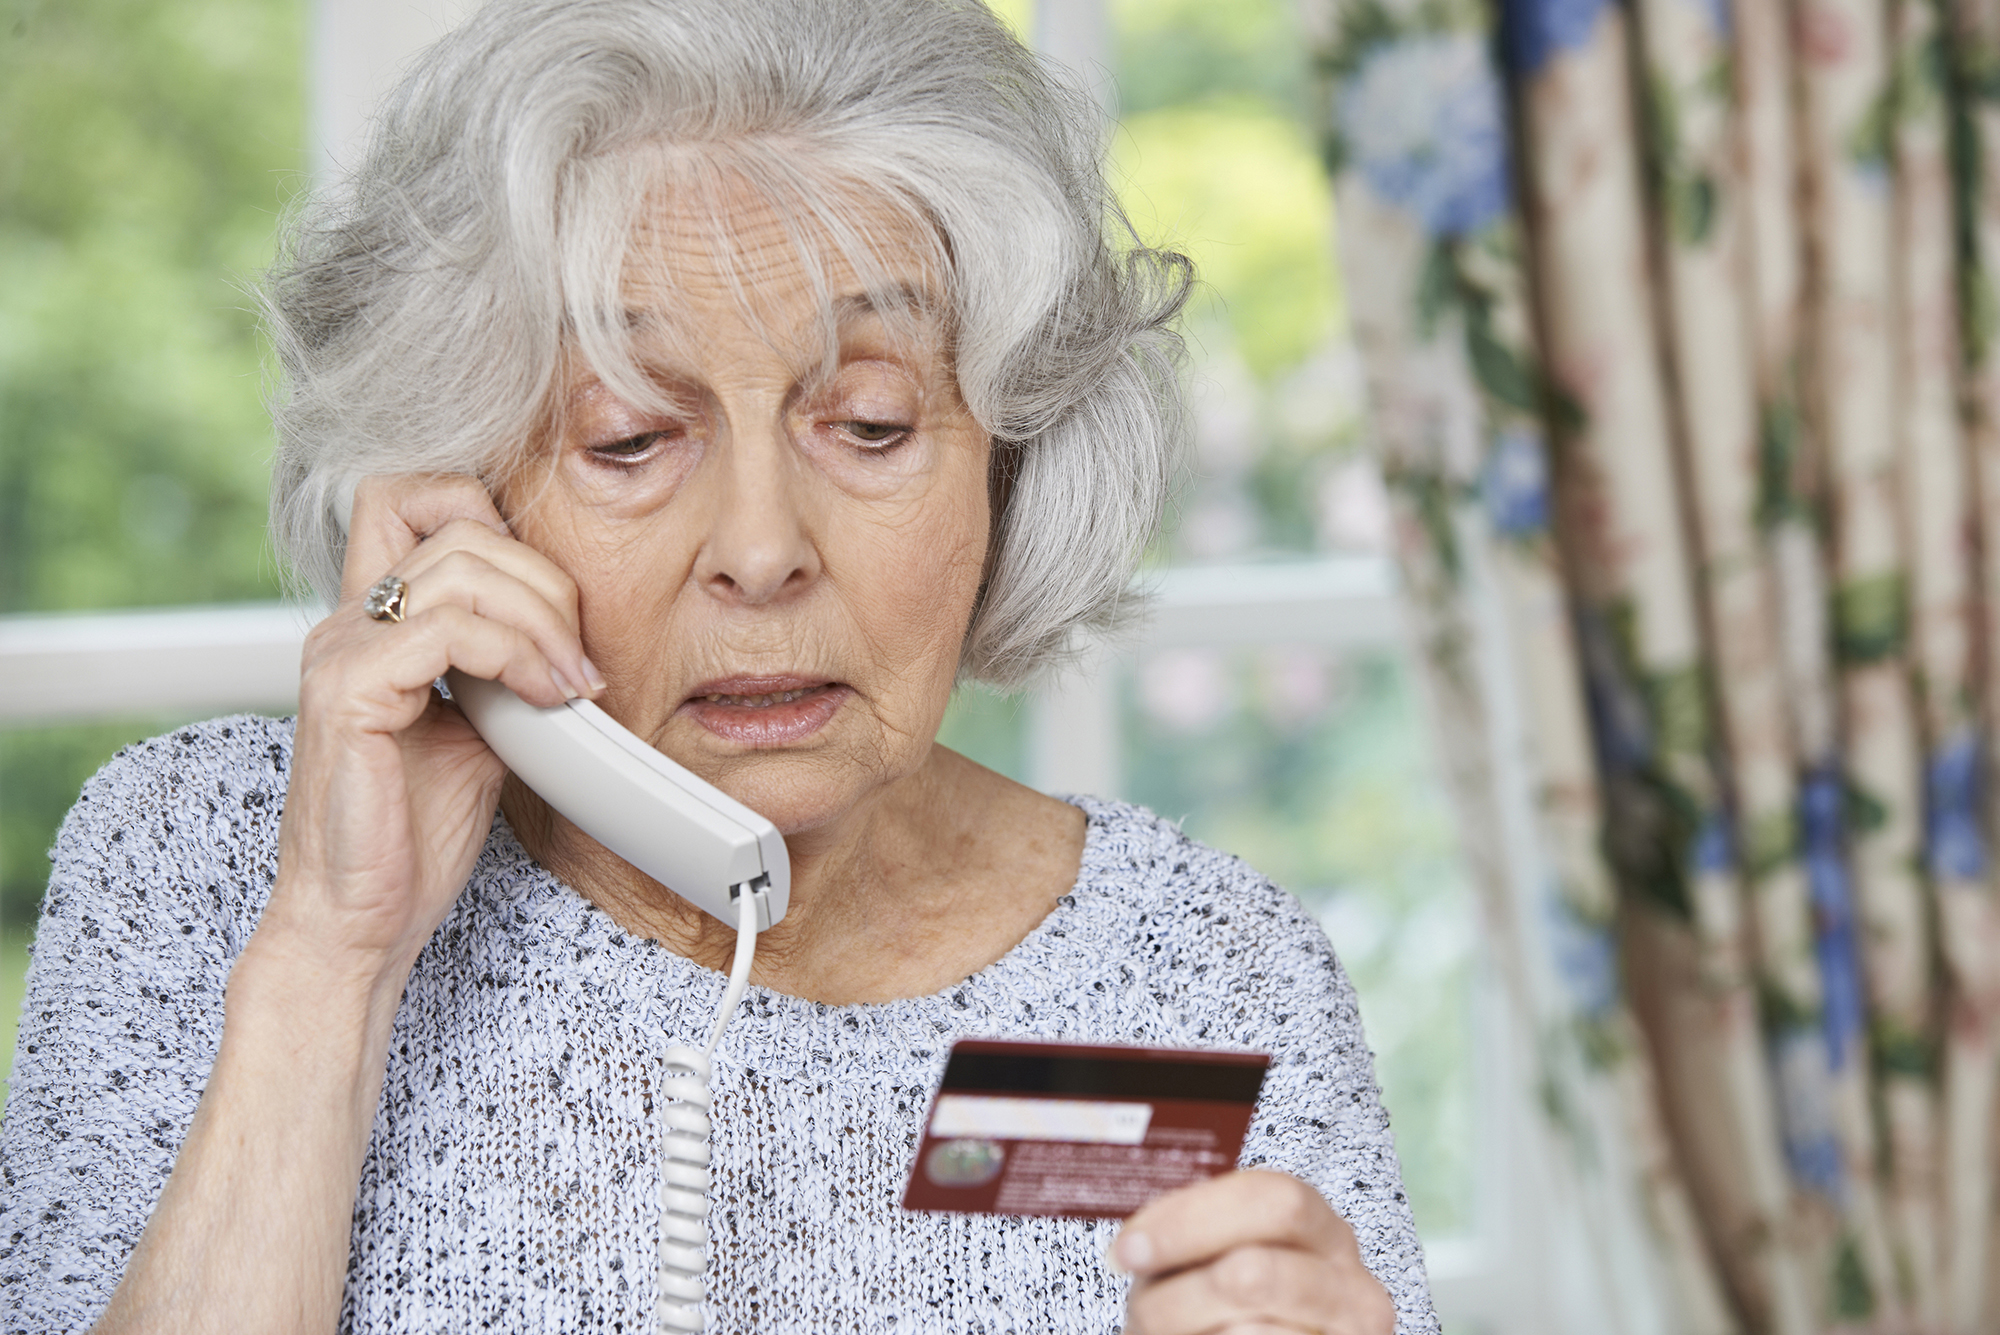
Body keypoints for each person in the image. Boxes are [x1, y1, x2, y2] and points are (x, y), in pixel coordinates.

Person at [0, 0, 1437, 1330]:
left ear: (1010, 466)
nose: (760, 549)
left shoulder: (1206, 970)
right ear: (457, 494)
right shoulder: (208, 867)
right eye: (628, 439)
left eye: (870, 426)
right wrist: (333, 956)